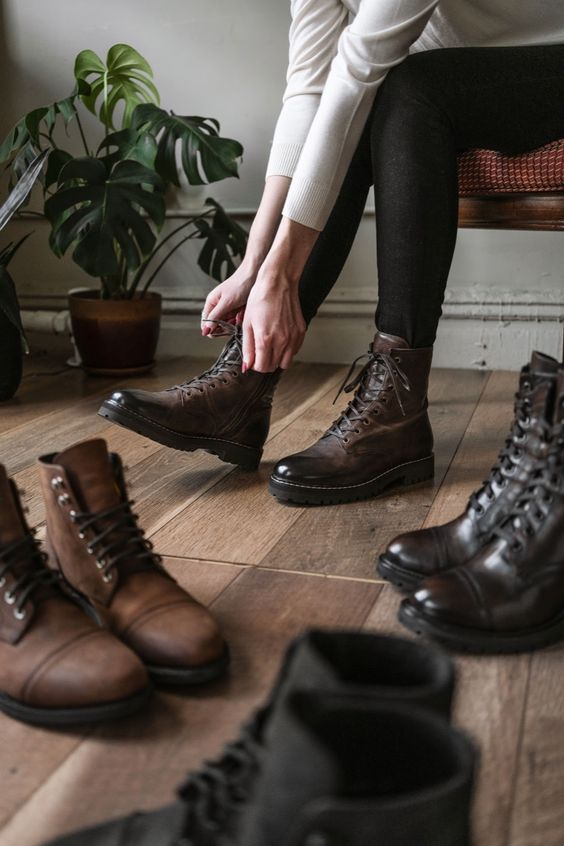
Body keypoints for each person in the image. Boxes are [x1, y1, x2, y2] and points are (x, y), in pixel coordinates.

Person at [99, 0, 564, 506]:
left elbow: (357, 75)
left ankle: (398, 411)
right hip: (467, 75)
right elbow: (308, 93)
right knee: (366, 101)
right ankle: (245, 382)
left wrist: (281, 274)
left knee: (407, 88)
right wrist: (254, 266)